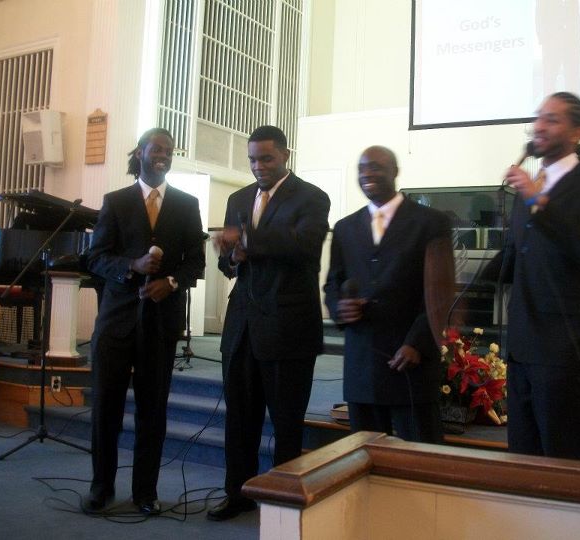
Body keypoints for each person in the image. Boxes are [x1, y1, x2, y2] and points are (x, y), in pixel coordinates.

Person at [487, 92, 580, 460]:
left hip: (562, 347)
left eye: (552, 119)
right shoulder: (527, 191)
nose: (539, 126)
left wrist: (539, 201)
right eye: (538, 117)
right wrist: (462, 291)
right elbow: (514, 257)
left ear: (578, 132)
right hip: (521, 346)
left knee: (563, 458)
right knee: (522, 457)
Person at [210, 125, 330, 521]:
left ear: (285, 155)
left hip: (288, 327)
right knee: (239, 419)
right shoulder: (238, 198)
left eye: (266, 158)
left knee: (286, 423)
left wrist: (245, 242)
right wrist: (230, 255)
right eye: (252, 160)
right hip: (242, 327)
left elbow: (304, 246)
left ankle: (283, 505)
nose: (258, 166)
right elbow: (228, 265)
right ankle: (238, 493)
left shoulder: (312, 197)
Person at [87, 128, 206, 514]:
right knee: (106, 407)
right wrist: (132, 266)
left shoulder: (187, 204)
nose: (164, 155)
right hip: (116, 322)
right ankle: (101, 488)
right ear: (140, 153)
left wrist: (170, 283)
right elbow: (95, 258)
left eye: (169, 151)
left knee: (152, 411)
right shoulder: (116, 202)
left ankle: (145, 493)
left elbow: (196, 263)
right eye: (157, 149)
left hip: (160, 323)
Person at [324, 146, 454, 444]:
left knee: (421, 458)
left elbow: (440, 291)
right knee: (364, 455)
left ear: (395, 172)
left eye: (376, 167)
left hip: (410, 362)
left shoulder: (431, 222)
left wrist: (417, 343)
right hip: (362, 362)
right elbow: (333, 283)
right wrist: (339, 307)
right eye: (362, 168)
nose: (367, 174)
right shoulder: (345, 228)